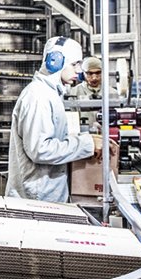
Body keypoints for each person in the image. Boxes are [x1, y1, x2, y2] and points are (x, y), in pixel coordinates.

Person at [6, 37, 102, 202]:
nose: (79, 71)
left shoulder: (50, 94)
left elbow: (53, 140)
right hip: (36, 199)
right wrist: (87, 144)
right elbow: (41, 150)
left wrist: (88, 139)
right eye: (75, 64)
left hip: (45, 193)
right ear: (55, 61)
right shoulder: (38, 96)